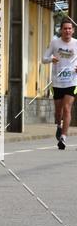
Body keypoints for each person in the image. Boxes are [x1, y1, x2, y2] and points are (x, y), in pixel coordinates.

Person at [42, 16, 77, 150]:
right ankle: (58, 125)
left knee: (67, 108)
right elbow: (43, 59)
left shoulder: (76, 43)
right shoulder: (54, 43)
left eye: (69, 29)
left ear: (73, 30)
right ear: (61, 30)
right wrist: (51, 59)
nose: (67, 31)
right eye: (65, 29)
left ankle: (63, 137)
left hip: (72, 81)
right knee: (58, 112)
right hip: (57, 82)